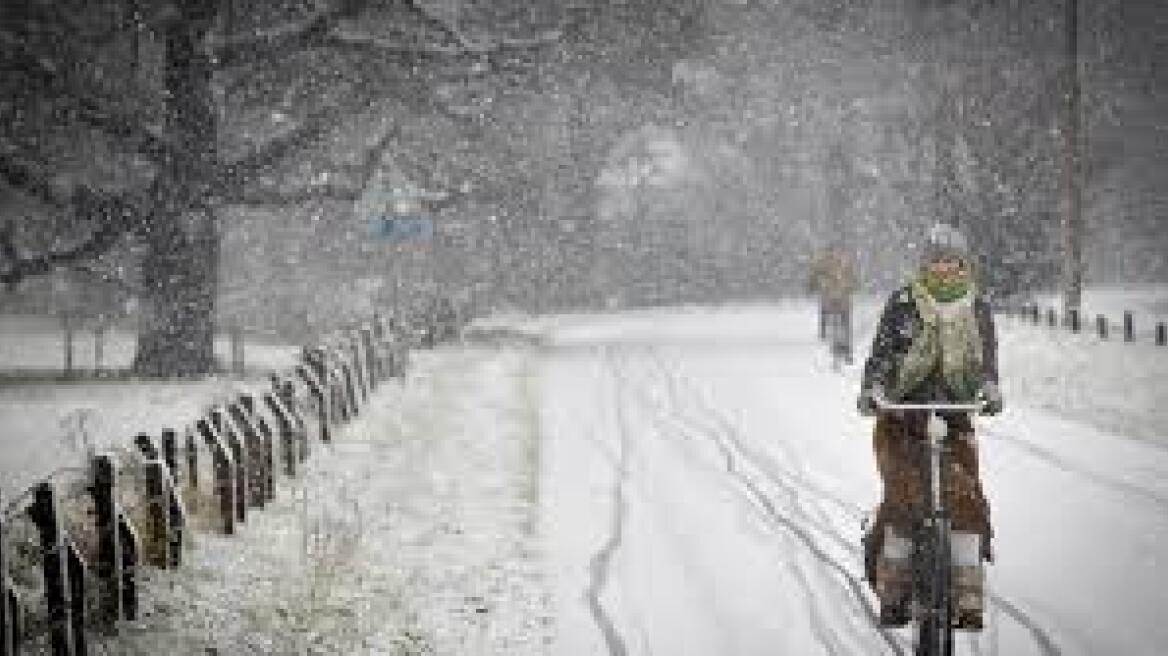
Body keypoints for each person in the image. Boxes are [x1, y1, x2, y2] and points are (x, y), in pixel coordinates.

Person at [856, 222, 1003, 629]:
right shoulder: (903, 302)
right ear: (926, 264)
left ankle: (968, 595)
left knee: (968, 501)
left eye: (951, 262)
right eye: (936, 262)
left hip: (954, 415)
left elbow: (987, 358)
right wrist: (874, 389)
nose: (944, 270)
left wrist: (989, 386)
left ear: (963, 264)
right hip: (904, 415)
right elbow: (881, 355)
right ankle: (894, 593)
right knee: (903, 499)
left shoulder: (977, 307)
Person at [808, 248, 857, 363]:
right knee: (843, 323)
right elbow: (853, 281)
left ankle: (836, 344)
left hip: (831, 298)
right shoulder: (845, 263)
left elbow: (814, 280)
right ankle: (844, 348)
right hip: (840, 298)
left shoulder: (822, 263)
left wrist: (813, 287)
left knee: (833, 320)